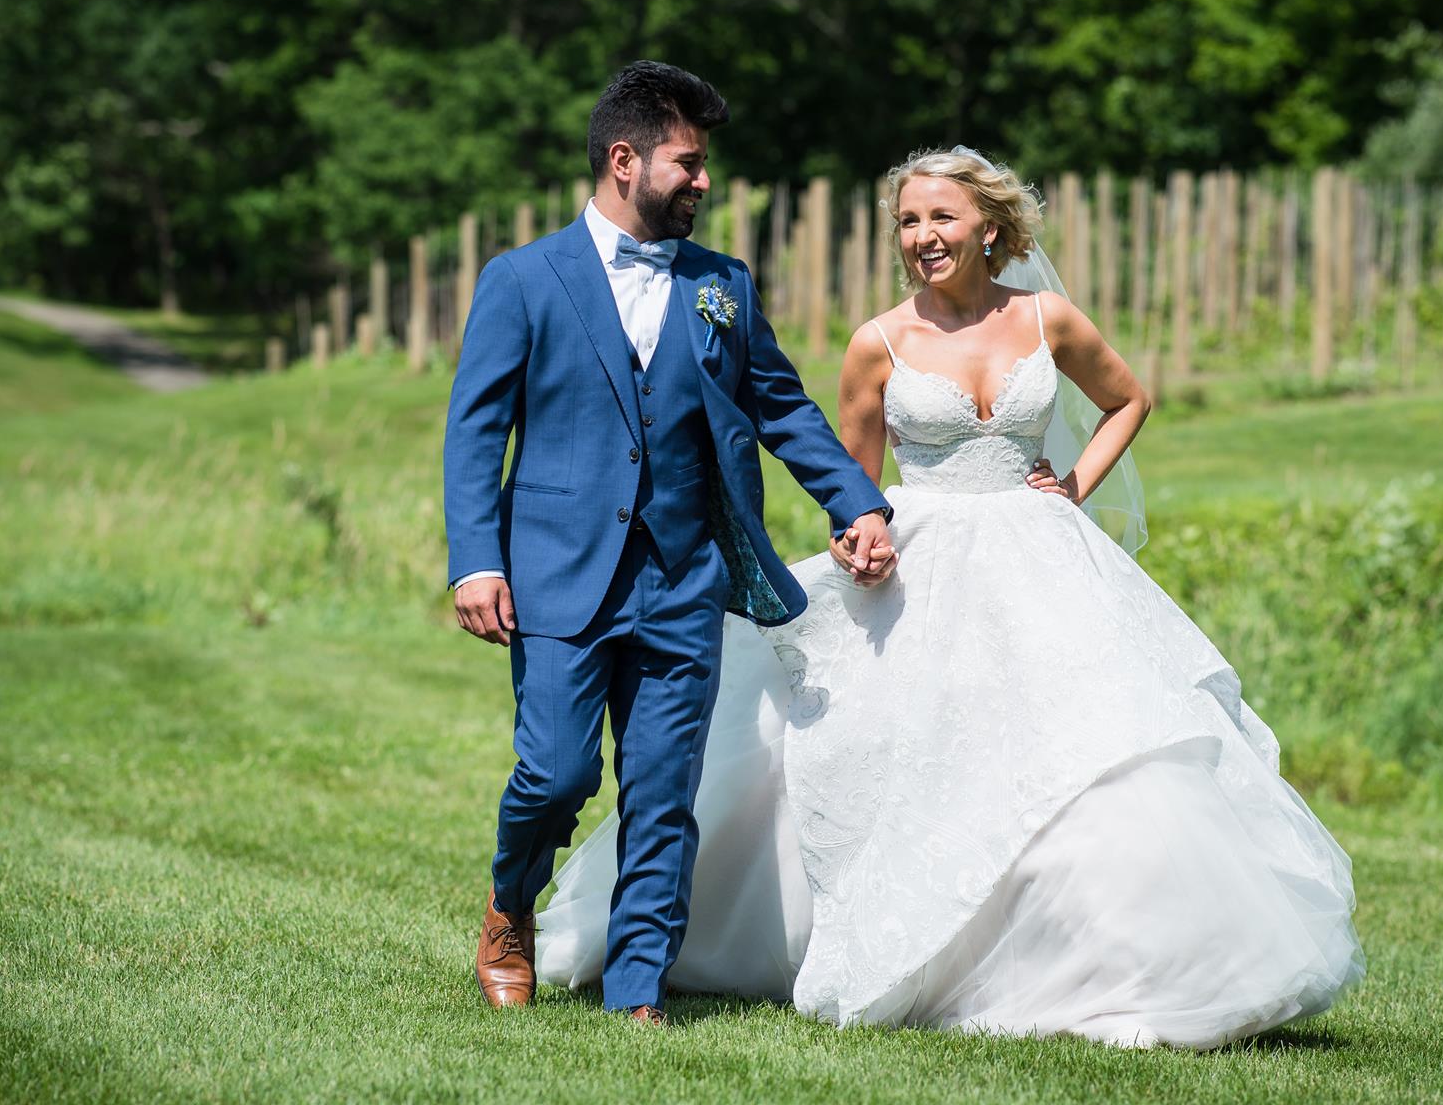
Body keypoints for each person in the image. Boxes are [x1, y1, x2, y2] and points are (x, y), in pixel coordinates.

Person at [536, 147, 1365, 1047]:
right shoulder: (878, 342)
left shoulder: (1047, 318)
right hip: (922, 568)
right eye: (908, 221)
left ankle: (1107, 955)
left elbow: (1128, 400)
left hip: (1041, 559)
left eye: (941, 218)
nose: (923, 236)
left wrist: (1073, 487)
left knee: (1087, 746)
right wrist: (856, 540)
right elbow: (850, 491)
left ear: (990, 228)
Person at [442, 61, 896, 1027]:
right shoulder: (521, 280)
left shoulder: (721, 284)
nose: (703, 181)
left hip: (686, 576)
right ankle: (510, 905)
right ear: (625, 160)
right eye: (687, 163)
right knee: (557, 773)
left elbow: (782, 406)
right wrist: (477, 561)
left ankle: (637, 990)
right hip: (557, 574)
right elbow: (476, 432)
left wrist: (855, 503)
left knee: (662, 791)